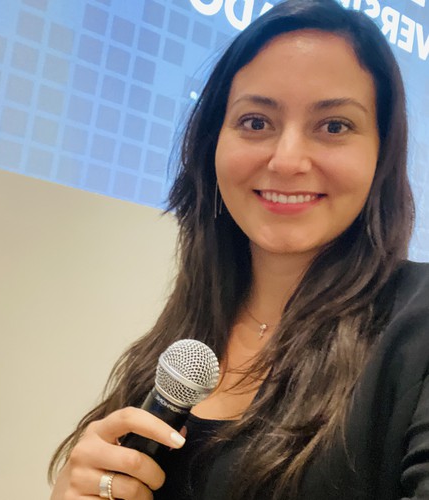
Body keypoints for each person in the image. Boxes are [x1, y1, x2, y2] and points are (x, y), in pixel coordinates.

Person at [48, 0, 429, 498]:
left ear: (381, 153)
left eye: (334, 126)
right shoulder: (186, 331)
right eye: (256, 122)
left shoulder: (416, 324)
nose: (287, 160)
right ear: (213, 143)